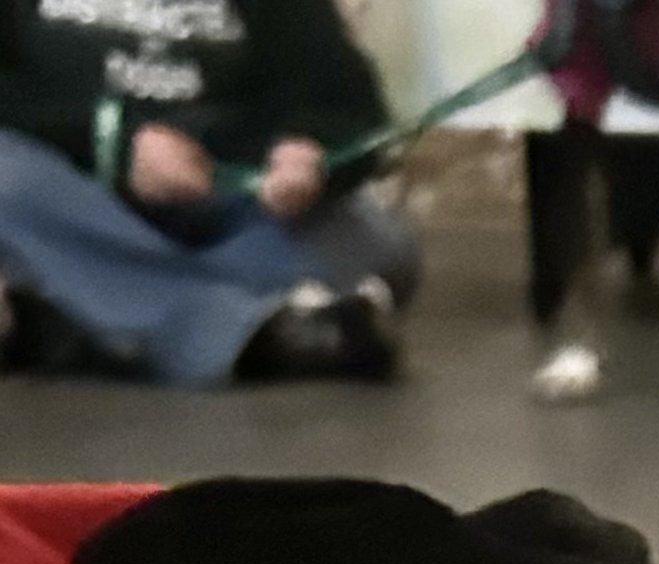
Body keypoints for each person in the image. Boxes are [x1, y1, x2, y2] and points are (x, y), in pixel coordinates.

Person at [0, 0, 419, 383]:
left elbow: (347, 102)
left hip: (225, 194)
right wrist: (113, 144)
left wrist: (306, 148)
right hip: (66, 197)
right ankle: (251, 330)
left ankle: (84, 317)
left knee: (378, 242)